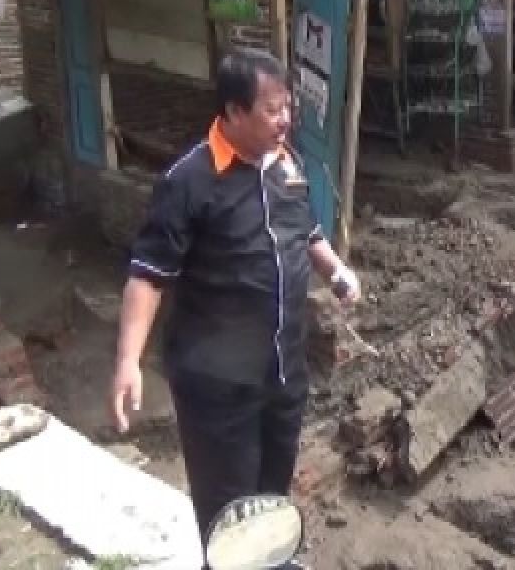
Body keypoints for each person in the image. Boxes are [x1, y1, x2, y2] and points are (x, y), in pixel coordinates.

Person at [110, 47, 361, 557]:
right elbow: (148, 276)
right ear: (233, 112)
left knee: (272, 500)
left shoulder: (287, 166)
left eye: (287, 106)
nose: (285, 119)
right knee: (229, 517)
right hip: (218, 390)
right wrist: (128, 361)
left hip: (283, 375)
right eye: (272, 110)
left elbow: (306, 230)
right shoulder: (189, 181)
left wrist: (335, 270)